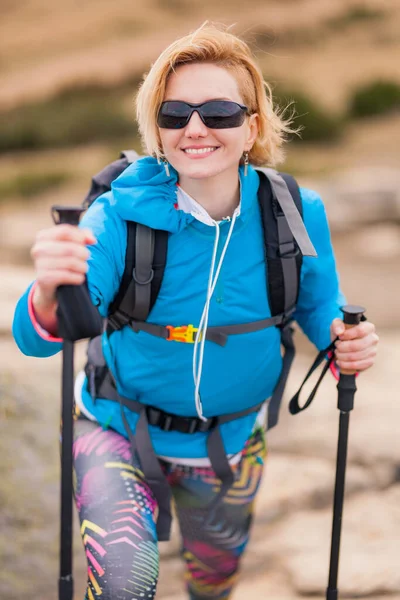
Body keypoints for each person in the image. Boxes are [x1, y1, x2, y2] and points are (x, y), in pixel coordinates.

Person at [12, 22, 379, 600]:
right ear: (156, 127)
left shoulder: (294, 212)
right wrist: (50, 290)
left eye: (219, 112)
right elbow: (41, 339)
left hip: (232, 442)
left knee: (214, 582)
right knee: (123, 585)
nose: (196, 128)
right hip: (115, 427)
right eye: (175, 112)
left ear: (253, 124)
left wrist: (342, 339)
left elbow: (318, 304)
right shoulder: (116, 217)